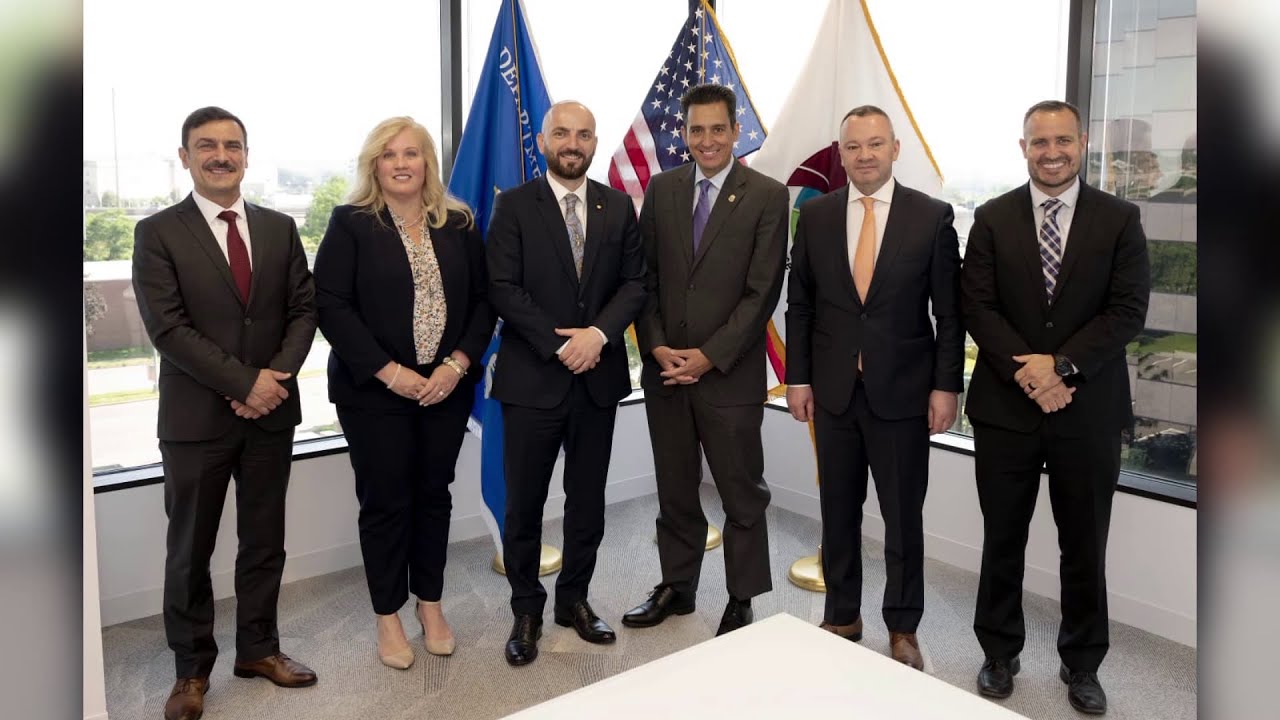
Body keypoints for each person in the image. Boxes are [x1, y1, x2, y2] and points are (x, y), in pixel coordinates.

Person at [961, 100, 1150, 715]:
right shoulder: (991, 218)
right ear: (1024, 148)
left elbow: (1128, 311)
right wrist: (1033, 373)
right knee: (1003, 538)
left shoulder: (1119, 219)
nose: (1052, 153)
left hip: (1087, 409)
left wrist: (1061, 367)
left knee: (1085, 545)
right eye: (1039, 142)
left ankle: (1083, 662)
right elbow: (977, 306)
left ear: (1082, 143)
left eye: (1062, 141)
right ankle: (998, 652)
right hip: (1007, 409)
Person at [132, 106, 319, 720]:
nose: (221, 155)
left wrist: (271, 382)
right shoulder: (157, 233)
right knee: (190, 550)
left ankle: (259, 650)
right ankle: (191, 670)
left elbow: (304, 311)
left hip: (271, 414)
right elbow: (168, 328)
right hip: (196, 421)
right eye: (207, 145)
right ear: (185, 157)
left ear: (246, 154)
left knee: (264, 541)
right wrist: (244, 383)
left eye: (232, 145)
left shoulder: (279, 227)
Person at [783, 105, 963, 670]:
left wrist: (946, 387)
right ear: (841, 153)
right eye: (854, 146)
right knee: (838, 510)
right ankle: (842, 615)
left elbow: (949, 314)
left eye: (875, 144)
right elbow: (801, 305)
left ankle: (903, 626)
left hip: (904, 393)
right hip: (833, 392)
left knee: (903, 518)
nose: (865, 155)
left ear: (895, 149)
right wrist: (797, 377)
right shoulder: (815, 215)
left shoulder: (930, 216)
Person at [313, 117, 495, 669]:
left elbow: (485, 301)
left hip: (445, 388)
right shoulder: (350, 223)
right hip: (375, 392)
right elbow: (331, 306)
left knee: (433, 495)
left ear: (427, 162)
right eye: (389, 154)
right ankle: (388, 615)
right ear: (374, 164)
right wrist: (389, 372)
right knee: (386, 501)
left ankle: (430, 604)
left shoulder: (458, 223)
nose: (400, 163)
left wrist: (457, 364)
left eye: (411, 153)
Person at [485, 101, 646, 666]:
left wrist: (597, 335)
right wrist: (560, 345)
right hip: (532, 379)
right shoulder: (513, 205)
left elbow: (635, 283)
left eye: (582, 134)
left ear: (594, 142)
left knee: (588, 501)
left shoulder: (617, 206)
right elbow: (501, 287)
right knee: (524, 505)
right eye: (561, 133)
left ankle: (573, 599)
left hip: (597, 380)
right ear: (543, 141)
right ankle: (526, 609)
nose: (572, 143)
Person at [624, 84, 788, 636]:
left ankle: (742, 597)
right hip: (667, 372)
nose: (707, 139)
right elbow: (644, 277)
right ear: (685, 133)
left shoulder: (767, 195)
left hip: (729, 376)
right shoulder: (662, 188)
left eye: (718, 128)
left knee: (742, 493)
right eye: (697, 129)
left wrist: (709, 356)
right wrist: (656, 345)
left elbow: (761, 293)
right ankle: (678, 586)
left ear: (736, 131)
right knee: (675, 489)